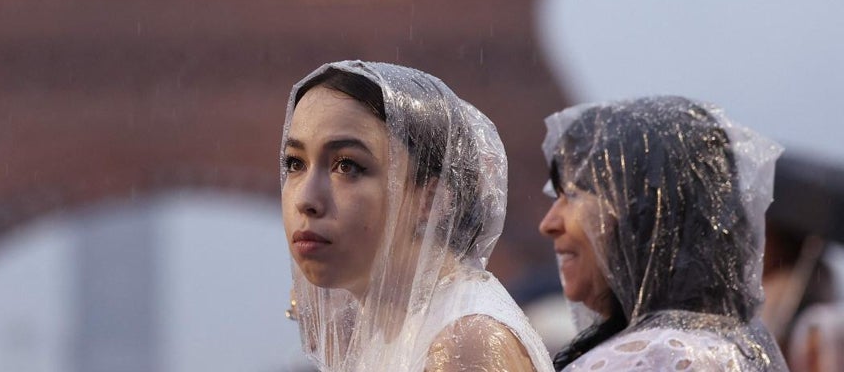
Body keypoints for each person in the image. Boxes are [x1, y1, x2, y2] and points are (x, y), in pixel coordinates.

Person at [281, 60, 553, 372]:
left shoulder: (463, 346)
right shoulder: (394, 331)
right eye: (294, 163)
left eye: (347, 166)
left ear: (431, 199)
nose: (306, 200)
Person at [538, 96, 789, 371]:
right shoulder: (737, 343)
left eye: (572, 195)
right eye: (556, 196)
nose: (548, 223)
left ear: (645, 213)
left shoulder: (646, 359)